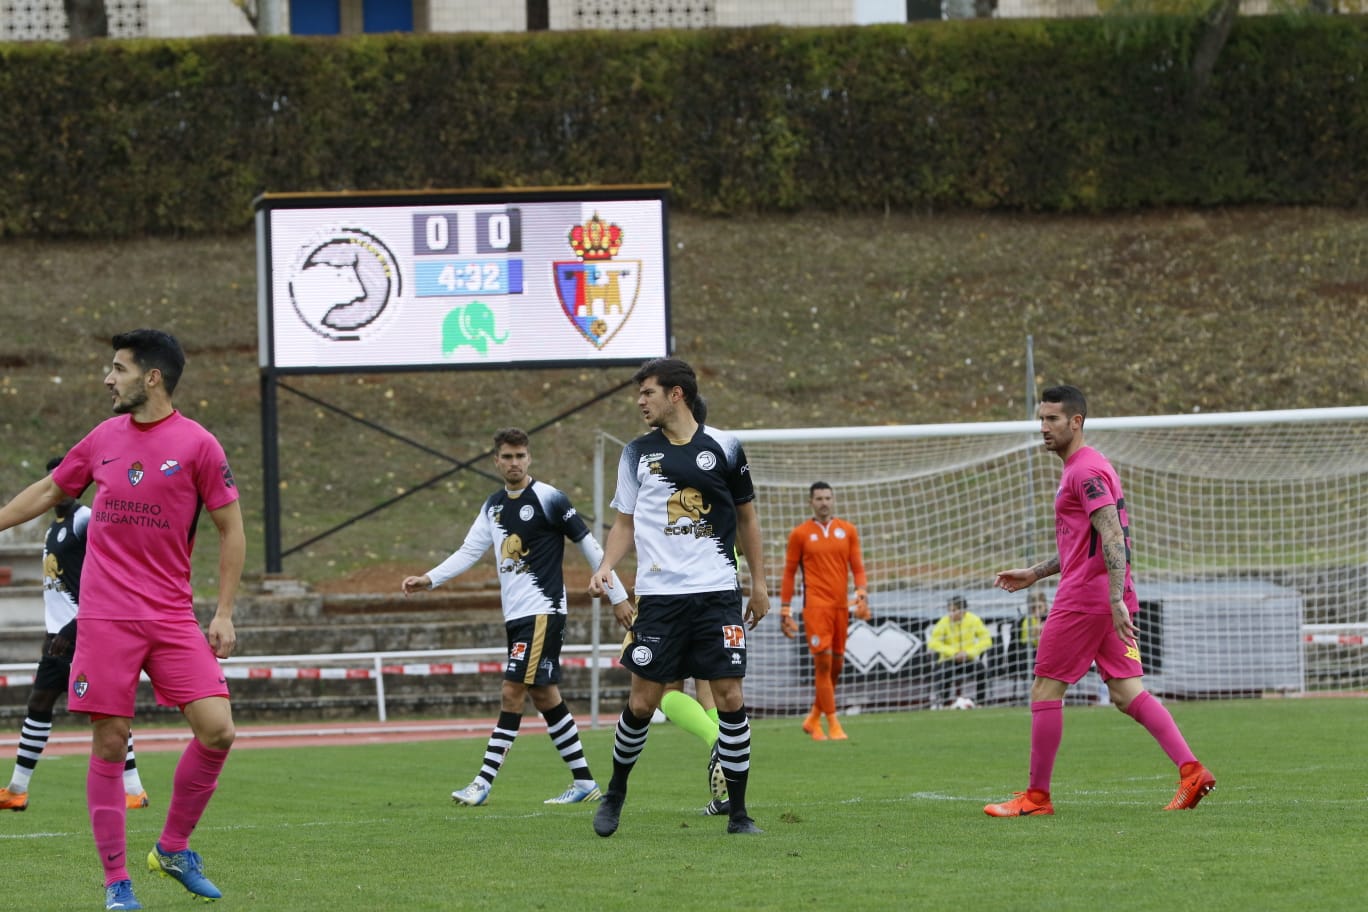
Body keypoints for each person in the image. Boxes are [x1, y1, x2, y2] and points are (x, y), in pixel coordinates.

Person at [0, 329, 244, 910]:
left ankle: (173, 848)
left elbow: (231, 528)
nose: (108, 379)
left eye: (118, 369)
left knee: (219, 729)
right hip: (106, 616)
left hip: (170, 613)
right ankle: (117, 885)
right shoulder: (102, 437)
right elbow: (49, 488)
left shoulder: (199, 445)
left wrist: (225, 612)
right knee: (109, 742)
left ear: (151, 377)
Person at [985, 385, 1214, 817]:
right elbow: (1085, 541)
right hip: (1106, 595)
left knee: (1045, 687)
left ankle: (1036, 798)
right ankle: (1192, 771)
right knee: (1128, 694)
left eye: (1052, 419)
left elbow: (1111, 533)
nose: (1044, 427)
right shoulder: (1087, 467)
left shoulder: (1084, 471)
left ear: (1077, 422)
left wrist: (1112, 598)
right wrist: (1035, 573)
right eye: (1041, 419)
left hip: (1088, 598)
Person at [588, 357, 771, 837]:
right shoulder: (637, 453)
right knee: (644, 702)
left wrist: (760, 583)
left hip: (717, 595)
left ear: (676, 395)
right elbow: (624, 522)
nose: (640, 401)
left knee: (730, 696)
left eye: (647, 392)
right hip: (661, 598)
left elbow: (748, 518)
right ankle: (615, 794)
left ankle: (739, 813)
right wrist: (607, 566)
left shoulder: (727, 447)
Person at [401, 427, 630, 807]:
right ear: (496, 460)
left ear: (529, 458)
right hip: (518, 616)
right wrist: (429, 579)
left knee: (512, 692)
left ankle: (482, 781)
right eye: (507, 457)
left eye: (520, 456)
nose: (514, 463)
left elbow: (589, 545)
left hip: (543, 611)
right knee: (544, 695)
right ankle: (585, 782)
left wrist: (617, 595)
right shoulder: (492, 506)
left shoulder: (549, 498)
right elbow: (468, 551)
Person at [0, 456, 149, 813]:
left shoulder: (85, 519)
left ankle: (134, 790)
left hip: (85, 630)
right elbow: (57, 586)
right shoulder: (54, 528)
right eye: (52, 477)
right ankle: (17, 789)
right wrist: (52, 629)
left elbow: (107, 573)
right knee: (42, 704)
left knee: (100, 710)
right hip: (61, 636)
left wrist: (74, 625)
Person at [779, 481, 869, 740]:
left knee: (837, 665)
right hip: (815, 607)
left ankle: (813, 718)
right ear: (811, 502)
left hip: (842, 606)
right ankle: (833, 722)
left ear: (833, 499)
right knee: (823, 664)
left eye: (827, 498)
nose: (824, 503)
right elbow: (789, 573)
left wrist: (861, 592)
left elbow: (858, 567)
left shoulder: (848, 530)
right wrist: (785, 609)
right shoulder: (800, 534)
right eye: (818, 498)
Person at [926, 594, 993, 708]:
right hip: (949, 659)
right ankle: (944, 703)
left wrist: (969, 653)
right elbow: (933, 643)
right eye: (949, 611)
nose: (951, 614)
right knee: (943, 672)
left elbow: (987, 640)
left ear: (963, 611)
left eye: (954, 610)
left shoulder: (974, 620)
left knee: (981, 670)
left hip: (968, 658)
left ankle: (980, 703)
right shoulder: (944, 622)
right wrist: (954, 653)